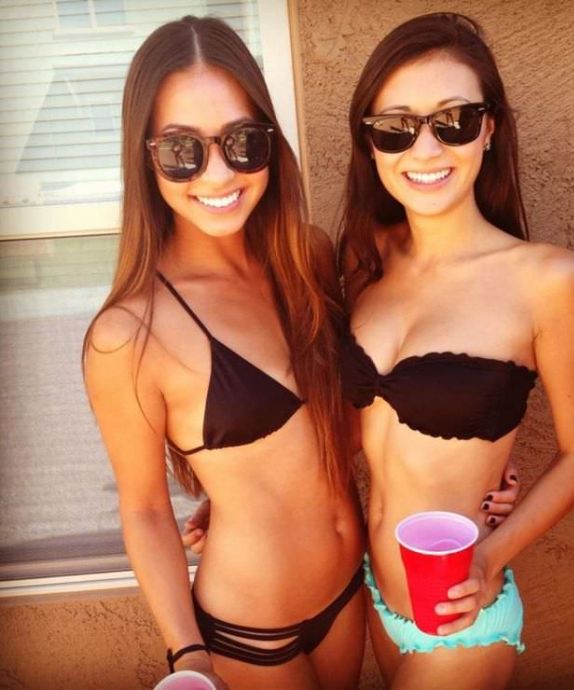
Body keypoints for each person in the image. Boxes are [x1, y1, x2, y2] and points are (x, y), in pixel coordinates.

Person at [83, 16, 367, 690]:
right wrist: (188, 653)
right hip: (251, 630)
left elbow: (339, 425)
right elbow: (145, 510)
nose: (218, 173)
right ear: (146, 157)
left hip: (349, 589)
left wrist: (469, 466)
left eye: (243, 142)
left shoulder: (308, 258)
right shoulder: (128, 334)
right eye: (183, 149)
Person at [337, 12, 574, 690]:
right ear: (371, 145)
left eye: (453, 121)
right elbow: (353, 429)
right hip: (375, 595)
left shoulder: (547, 280)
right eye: (396, 127)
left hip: (462, 614)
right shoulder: (366, 260)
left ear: (490, 129)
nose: (425, 149)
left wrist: (491, 557)